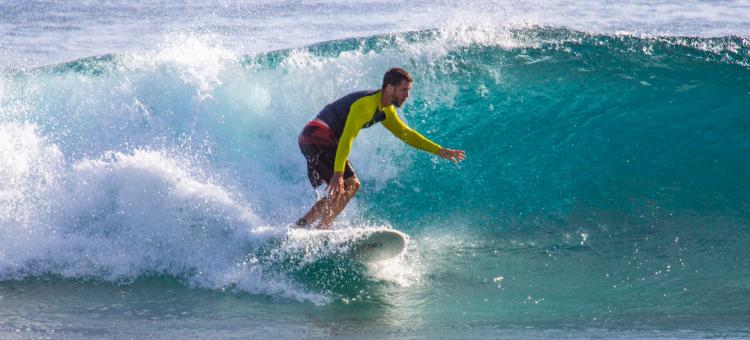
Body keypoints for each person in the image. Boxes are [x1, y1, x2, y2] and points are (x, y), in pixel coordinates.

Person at [295, 67, 466, 229]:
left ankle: (302, 225)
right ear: (390, 88)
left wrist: (438, 150)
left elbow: (406, 134)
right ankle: (322, 229)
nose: (407, 95)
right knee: (351, 184)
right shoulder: (366, 105)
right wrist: (338, 173)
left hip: (310, 137)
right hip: (319, 136)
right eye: (404, 90)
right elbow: (347, 138)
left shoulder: (385, 111)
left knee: (340, 190)